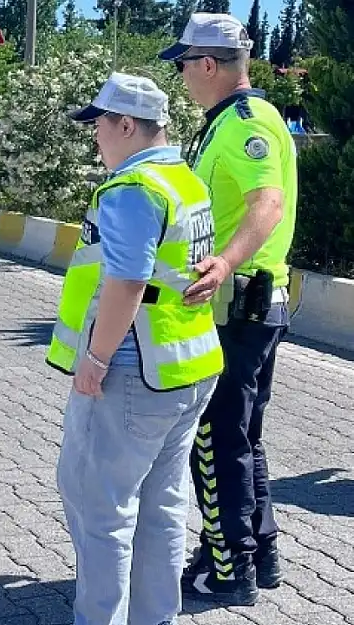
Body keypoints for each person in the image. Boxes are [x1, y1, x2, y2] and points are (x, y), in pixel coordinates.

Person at [46, 72, 224, 625]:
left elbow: (126, 282)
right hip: (187, 370)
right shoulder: (184, 180)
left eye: (99, 125)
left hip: (131, 374)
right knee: (163, 508)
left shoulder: (131, 190)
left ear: (126, 125)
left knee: (101, 511)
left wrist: (94, 361)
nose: (95, 137)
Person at [159, 13, 298, 605]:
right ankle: (259, 554)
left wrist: (223, 261)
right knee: (242, 436)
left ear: (208, 65)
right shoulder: (226, 122)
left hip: (238, 307)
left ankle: (228, 567)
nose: (182, 76)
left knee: (214, 439)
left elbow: (266, 202)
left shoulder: (246, 123)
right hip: (253, 305)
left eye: (185, 64)